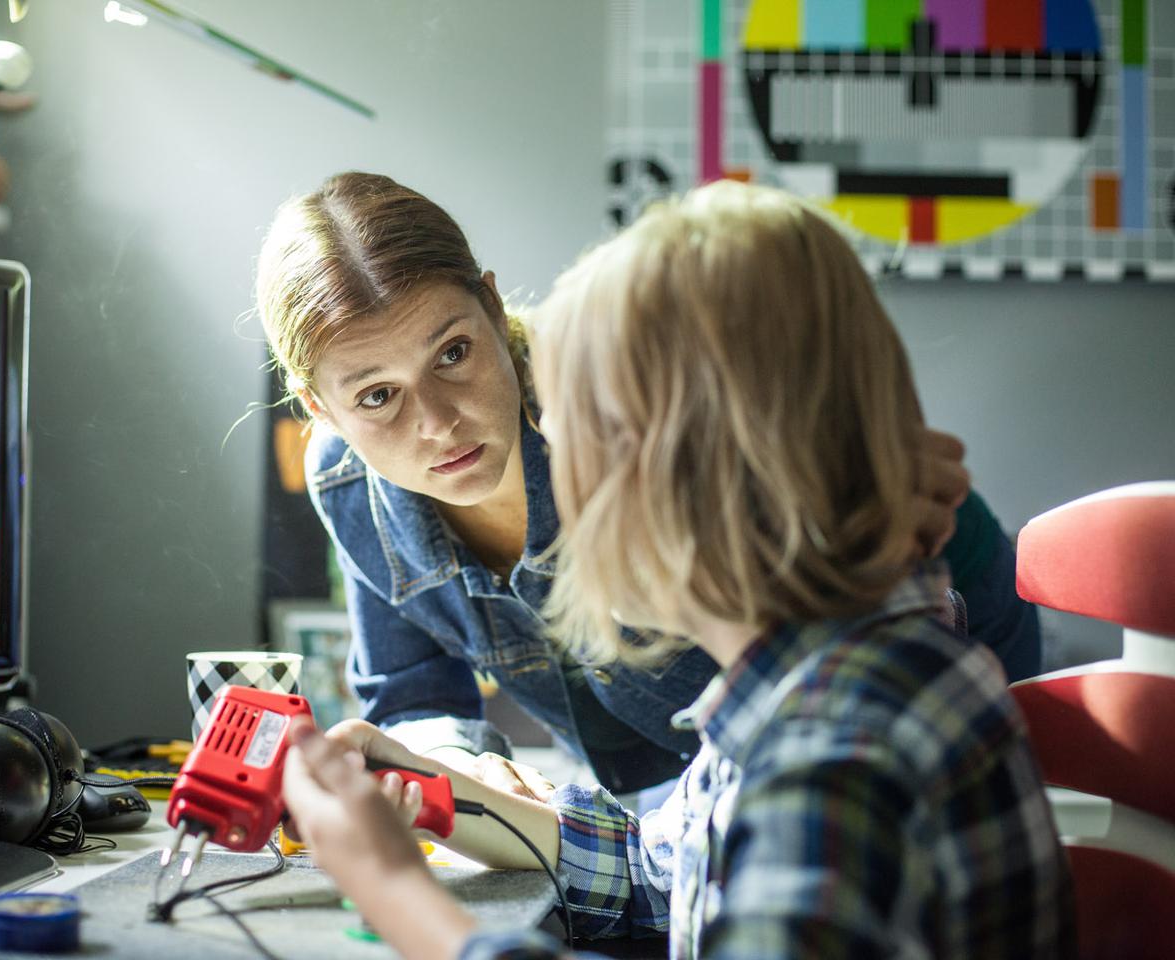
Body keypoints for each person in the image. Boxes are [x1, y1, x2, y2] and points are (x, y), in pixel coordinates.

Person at [280, 181, 1075, 959]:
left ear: (707, 461)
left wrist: (390, 886)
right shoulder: (774, 704)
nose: (559, 490)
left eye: (580, 438)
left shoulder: (830, 762)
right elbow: (652, 871)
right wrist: (443, 792)